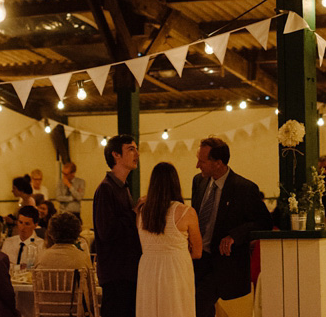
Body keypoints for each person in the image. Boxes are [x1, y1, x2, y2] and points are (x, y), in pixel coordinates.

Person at [191, 136, 270, 317]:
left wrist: (235, 235)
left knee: (200, 303)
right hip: (197, 259)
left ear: (218, 163)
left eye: (202, 161)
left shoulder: (244, 188)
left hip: (223, 263)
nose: (197, 165)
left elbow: (264, 221)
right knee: (196, 305)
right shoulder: (199, 182)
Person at [136, 162, 202, 317]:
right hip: (175, 269)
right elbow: (198, 252)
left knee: (150, 309)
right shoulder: (186, 212)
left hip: (148, 268)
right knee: (177, 309)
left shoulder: (142, 212)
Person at [93, 135, 142, 317]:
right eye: (131, 149)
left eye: (136, 149)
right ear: (116, 155)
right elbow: (106, 231)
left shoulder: (123, 187)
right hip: (115, 273)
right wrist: (134, 212)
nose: (137, 153)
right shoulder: (106, 189)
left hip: (126, 271)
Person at [36, 212, 95, 317]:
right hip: (74, 313)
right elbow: (91, 295)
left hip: (46, 313)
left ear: (51, 232)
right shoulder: (82, 258)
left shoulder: (41, 258)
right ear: (77, 232)